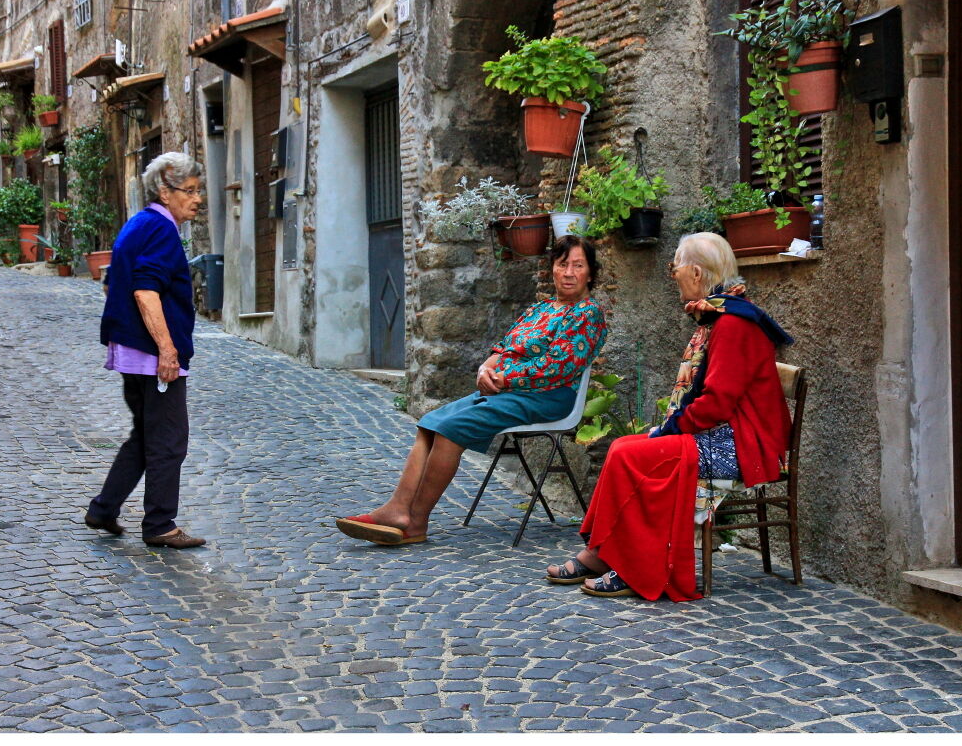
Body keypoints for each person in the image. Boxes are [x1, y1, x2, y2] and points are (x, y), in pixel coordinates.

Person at [544, 231, 793, 600]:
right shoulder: (721, 317)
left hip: (741, 444)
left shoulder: (734, 324)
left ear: (696, 273)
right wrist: (669, 428)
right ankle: (600, 554)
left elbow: (718, 403)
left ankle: (633, 568)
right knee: (622, 447)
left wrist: (670, 428)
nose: (673, 274)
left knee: (636, 453)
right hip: (725, 433)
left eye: (675, 267)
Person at [336, 235, 608, 546]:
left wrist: (504, 379)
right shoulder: (541, 308)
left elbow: (557, 367)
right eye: (563, 265)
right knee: (430, 423)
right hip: (507, 391)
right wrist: (486, 368)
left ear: (590, 272)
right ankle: (398, 509)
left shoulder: (588, 313)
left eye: (578, 265)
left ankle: (416, 521)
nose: (570, 272)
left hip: (547, 396)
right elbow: (504, 347)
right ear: (553, 269)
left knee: (452, 429)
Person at [84, 152, 207, 549]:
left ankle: (104, 509)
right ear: (163, 191)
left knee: (145, 435)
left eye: (197, 190)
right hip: (151, 355)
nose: (197, 199)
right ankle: (159, 524)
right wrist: (167, 350)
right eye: (188, 191)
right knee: (170, 440)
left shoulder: (139, 224)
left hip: (132, 351)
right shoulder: (159, 229)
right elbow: (144, 290)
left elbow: (113, 285)